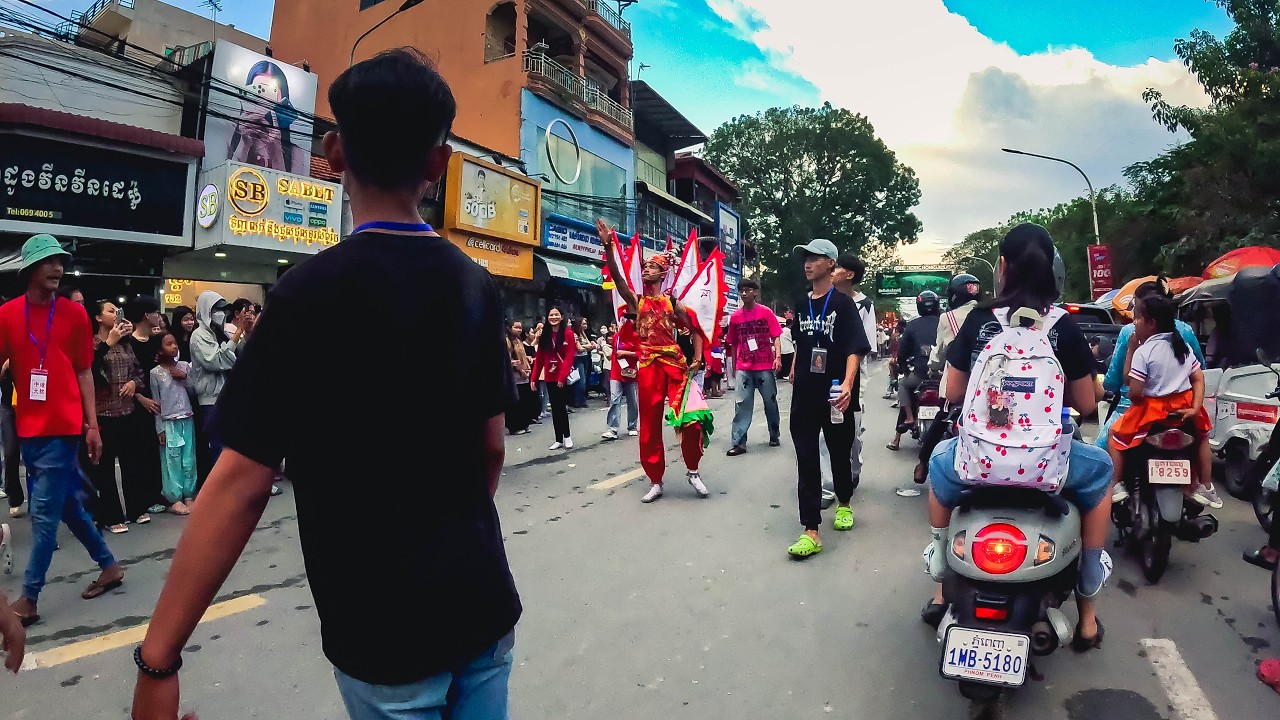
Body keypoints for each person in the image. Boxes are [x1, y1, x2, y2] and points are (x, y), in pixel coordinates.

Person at [131, 49, 520, 720]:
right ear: (439, 163)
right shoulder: (475, 285)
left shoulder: (306, 296)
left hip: (383, 632)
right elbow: (490, 450)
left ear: (334, 152)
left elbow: (241, 483)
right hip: (482, 607)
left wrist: (157, 661)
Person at [923, 223, 1113, 648]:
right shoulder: (1064, 327)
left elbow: (951, 392)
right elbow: (1086, 405)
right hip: (1049, 465)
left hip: (977, 462)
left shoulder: (978, 319)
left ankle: (939, 559)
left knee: (938, 461)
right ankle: (1087, 603)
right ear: (1053, 271)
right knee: (1100, 471)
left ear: (1002, 267)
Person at [0, 234, 123, 627]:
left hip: (64, 425)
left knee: (44, 512)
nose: (58, 267)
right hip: (28, 426)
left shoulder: (73, 314)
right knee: (66, 504)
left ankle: (30, 597)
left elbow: (85, 370)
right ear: (29, 270)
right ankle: (108, 566)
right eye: (49, 261)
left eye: (60, 261)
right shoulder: (7, 315)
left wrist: (92, 425)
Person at [599, 220, 709, 503]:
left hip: (674, 364)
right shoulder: (636, 302)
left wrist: (697, 358)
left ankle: (693, 471)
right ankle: (655, 480)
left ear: (662, 273)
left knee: (692, 419)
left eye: (651, 266)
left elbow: (696, 329)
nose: (646, 269)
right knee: (648, 425)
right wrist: (609, 246)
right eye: (644, 265)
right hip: (648, 365)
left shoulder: (673, 302)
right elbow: (618, 279)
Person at [786, 239, 871, 558]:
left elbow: (854, 347)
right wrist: (795, 365)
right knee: (806, 460)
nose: (807, 263)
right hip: (805, 394)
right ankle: (810, 530)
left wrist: (848, 384)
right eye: (805, 257)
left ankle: (845, 503)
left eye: (815, 258)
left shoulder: (843, 304)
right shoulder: (800, 299)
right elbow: (801, 340)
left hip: (836, 391)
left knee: (838, 452)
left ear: (831, 264)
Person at [1096, 280, 1212, 503]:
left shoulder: (1139, 346)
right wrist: (1195, 406)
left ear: (1151, 322)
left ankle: (1116, 485)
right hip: (1185, 408)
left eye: (1136, 315)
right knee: (1203, 437)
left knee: (1112, 438)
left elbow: (1131, 390)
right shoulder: (1182, 341)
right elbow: (1200, 374)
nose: (1133, 320)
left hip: (1149, 411)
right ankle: (1205, 486)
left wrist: (1131, 352)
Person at [89, 299, 155, 533]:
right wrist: (108, 342)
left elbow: (139, 372)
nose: (116, 313)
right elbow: (89, 368)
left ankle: (136, 508)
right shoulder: (93, 343)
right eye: (110, 311)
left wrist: (132, 384)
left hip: (127, 410)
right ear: (98, 318)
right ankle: (111, 515)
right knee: (105, 467)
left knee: (131, 462)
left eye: (117, 310)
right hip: (103, 412)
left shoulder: (126, 344)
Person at [189, 291, 248, 484]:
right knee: (217, 446)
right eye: (216, 309)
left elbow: (243, 355)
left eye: (223, 309)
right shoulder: (199, 335)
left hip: (226, 395)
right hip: (210, 398)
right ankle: (218, 488)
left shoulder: (219, 332)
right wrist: (235, 338)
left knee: (229, 446)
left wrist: (244, 332)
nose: (221, 313)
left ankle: (230, 485)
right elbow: (214, 361)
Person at [725, 278, 782, 456]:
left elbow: (776, 336)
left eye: (747, 290)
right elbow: (732, 343)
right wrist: (734, 368)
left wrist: (778, 357)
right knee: (742, 404)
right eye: (741, 290)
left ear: (755, 293)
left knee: (770, 402)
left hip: (764, 365)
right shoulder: (735, 317)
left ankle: (774, 433)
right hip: (744, 367)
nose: (744, 293)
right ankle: (739, 442)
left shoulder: (766, 313)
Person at [122, 295, 167, 516]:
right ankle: (144, 497)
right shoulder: (129, 343)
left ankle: (158, 492)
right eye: (155, 312)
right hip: (138, 403)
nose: (158, 316)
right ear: (146, 315)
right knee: (141, 451)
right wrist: (141, 398)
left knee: (156, 450)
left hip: (160, 401)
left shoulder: (157, 341)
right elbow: (128, 375)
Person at [886, 291, 941, 451]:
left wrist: (904, 368)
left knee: (904, 385)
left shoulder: (912, 325)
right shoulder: (945, 323)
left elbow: (902, 353)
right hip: (942, 377)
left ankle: (905, 426)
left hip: (920, 376)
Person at [150, 332, 196, 515]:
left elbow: (194, 390)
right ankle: (174, 497)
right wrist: (159, 428)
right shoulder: (156, 373)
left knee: (188, 459)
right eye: (169, 344)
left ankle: (189, 495)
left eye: (175, 343)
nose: (174, 347)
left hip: (187, 417)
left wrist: (184, 377)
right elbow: (156, 402)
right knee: (172, 460)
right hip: (169, 422)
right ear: (160, 350)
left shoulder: (184, 366)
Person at [530, 307, 575, 450]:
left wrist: (562, 377)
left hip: (561, 376)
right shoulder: (544, 336)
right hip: (549, 376)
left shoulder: (568, 334)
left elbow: (569, 357)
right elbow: (540, 359)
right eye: (551, 315)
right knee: (555, 408)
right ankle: (558, 439)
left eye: (557, 315)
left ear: (562, 317)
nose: (554, 317)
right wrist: (534, 378)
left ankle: (567, 436)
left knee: (561, 407)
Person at [602, 313, 639, 440]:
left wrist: (626, 353)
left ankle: (632, 426)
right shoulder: (617, 336)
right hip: (616, 372)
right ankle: (612, 429)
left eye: (629, 319)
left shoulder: (637, 336)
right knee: (614, 399)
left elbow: (641, 353)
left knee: (632, 401)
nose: (626, 322)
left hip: (631, 372)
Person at [505, 320, 535, 436]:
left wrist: (527, 359)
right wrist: (520, 369)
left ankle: (524, 423)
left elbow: (522, 355)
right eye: (516, 327)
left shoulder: (519, 341)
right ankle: (515, 426)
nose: (519, 330)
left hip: (524, 374)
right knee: (516, 402)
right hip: (515, 376)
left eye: (520, 328)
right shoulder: (507, 341)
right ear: (510, 328)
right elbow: (508, 358)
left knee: (525, 400)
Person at [571, 317, 592, 408]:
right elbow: (579, 348)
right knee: (580, 380)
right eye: (583, 323)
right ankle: (578, 400)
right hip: (578, 358)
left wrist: (588, 346)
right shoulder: (575, 335)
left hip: (585, 357)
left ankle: (582, 398)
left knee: (585, 378)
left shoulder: (583, 333)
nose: (585, 325)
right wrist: (589, 346)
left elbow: (588, 344)